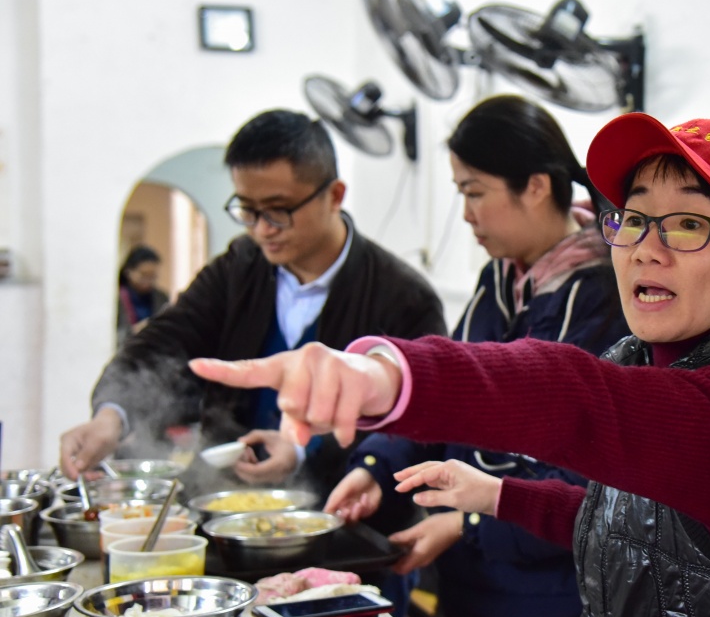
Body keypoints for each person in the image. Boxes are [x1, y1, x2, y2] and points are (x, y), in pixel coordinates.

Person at [192, 113, 710, 617]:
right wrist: (496, 497)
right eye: (635, 217)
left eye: (689, 224)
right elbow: (637, 527)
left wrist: (391, 376)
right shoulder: (639, 355)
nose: (647, 247)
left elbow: (578, 400)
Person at [325, 94, 630, 617]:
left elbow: (588, 488)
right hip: (474, 596)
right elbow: (440, 402)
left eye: (473, 192)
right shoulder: (498, 283)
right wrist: (374, 469)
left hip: (556, 612)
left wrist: (466, 526)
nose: (465, 214)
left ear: (536, 186)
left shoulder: (606, 302)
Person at [59, 109, 448, 500]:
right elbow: (164, 344)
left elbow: (418, 422)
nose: (262, 229)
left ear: (334, 195)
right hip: (224, 501)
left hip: (342, 513)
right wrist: (112, 415)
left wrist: (299, 452)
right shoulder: (239, 269)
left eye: (278, 210)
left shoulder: (402, 297)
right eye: (247, 210)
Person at [117, 244, 169, 345]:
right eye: (143, 275)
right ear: (129, 272)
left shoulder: (161, 298)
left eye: (153, 276)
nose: (148, 281)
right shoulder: (118, 299)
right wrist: (134, 331)